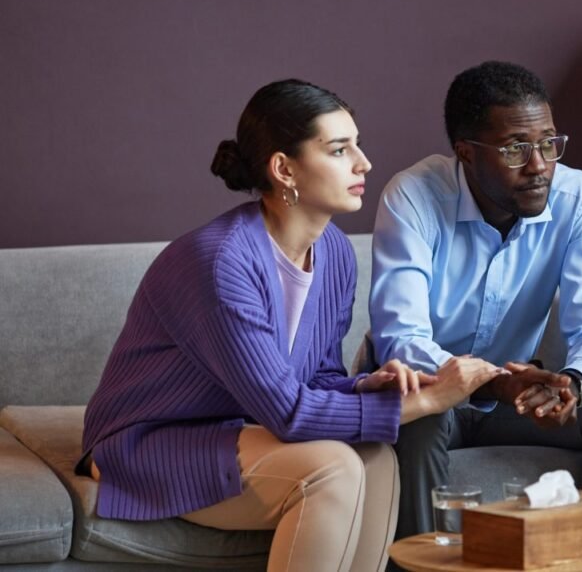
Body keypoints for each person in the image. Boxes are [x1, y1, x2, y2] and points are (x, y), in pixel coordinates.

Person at [79, 79, 506, 572]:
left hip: (238, 428)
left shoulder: (336, 254)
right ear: (284, 168)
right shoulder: (219, 261)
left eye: (357, 145)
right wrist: (430, 399)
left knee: (377, 460)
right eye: (339, 149)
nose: (363, 162)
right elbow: (288, 412)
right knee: (333, 469)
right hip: (152, 443)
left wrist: (368, 385)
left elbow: (315, 379)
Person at [368, 60, 582, 548]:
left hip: (522, 399)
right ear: (465, 153)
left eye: (548, 143)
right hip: (441, 395)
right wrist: (493, 382)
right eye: (516, 149)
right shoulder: (413, 198)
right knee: (418, 418)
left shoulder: (577, 196)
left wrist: (576, 385)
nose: (540, 164)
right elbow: (402, 340)